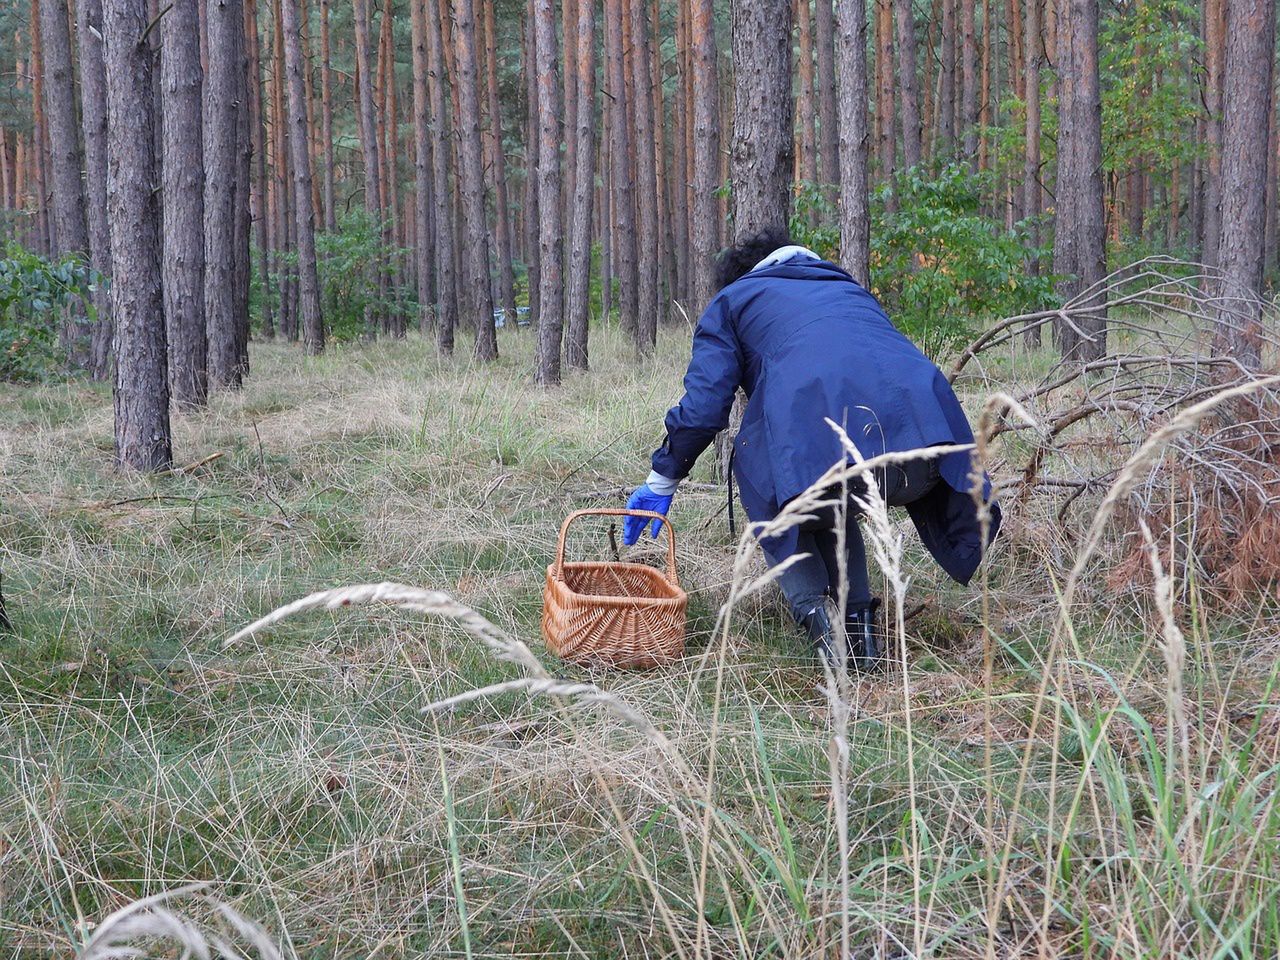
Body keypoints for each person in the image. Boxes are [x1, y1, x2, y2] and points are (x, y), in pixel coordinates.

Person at [622, 228, 1001, 671]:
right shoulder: (847, 289)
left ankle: (825, 635)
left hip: (846, 453)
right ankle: (863, 648)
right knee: (831, 498)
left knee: (776, 485)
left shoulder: (733, 301)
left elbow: (705, 406)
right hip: (929, 450)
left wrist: (663, 477)